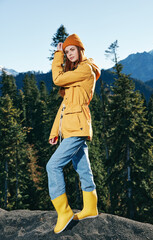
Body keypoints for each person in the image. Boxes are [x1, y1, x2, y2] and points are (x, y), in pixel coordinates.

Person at [46, 34, 101, 234]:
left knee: (52, 166)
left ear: (80, 50)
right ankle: (90, 207)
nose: (69, 54)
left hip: (77, 127)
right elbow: (64, 106)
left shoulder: (85, 68)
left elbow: (57, 78)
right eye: (66, 51)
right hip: (72, 127)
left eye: (71, 50)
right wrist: (55, 131)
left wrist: (57, 54)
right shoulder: (77, 74)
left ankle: (64, 212)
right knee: (83, 168)